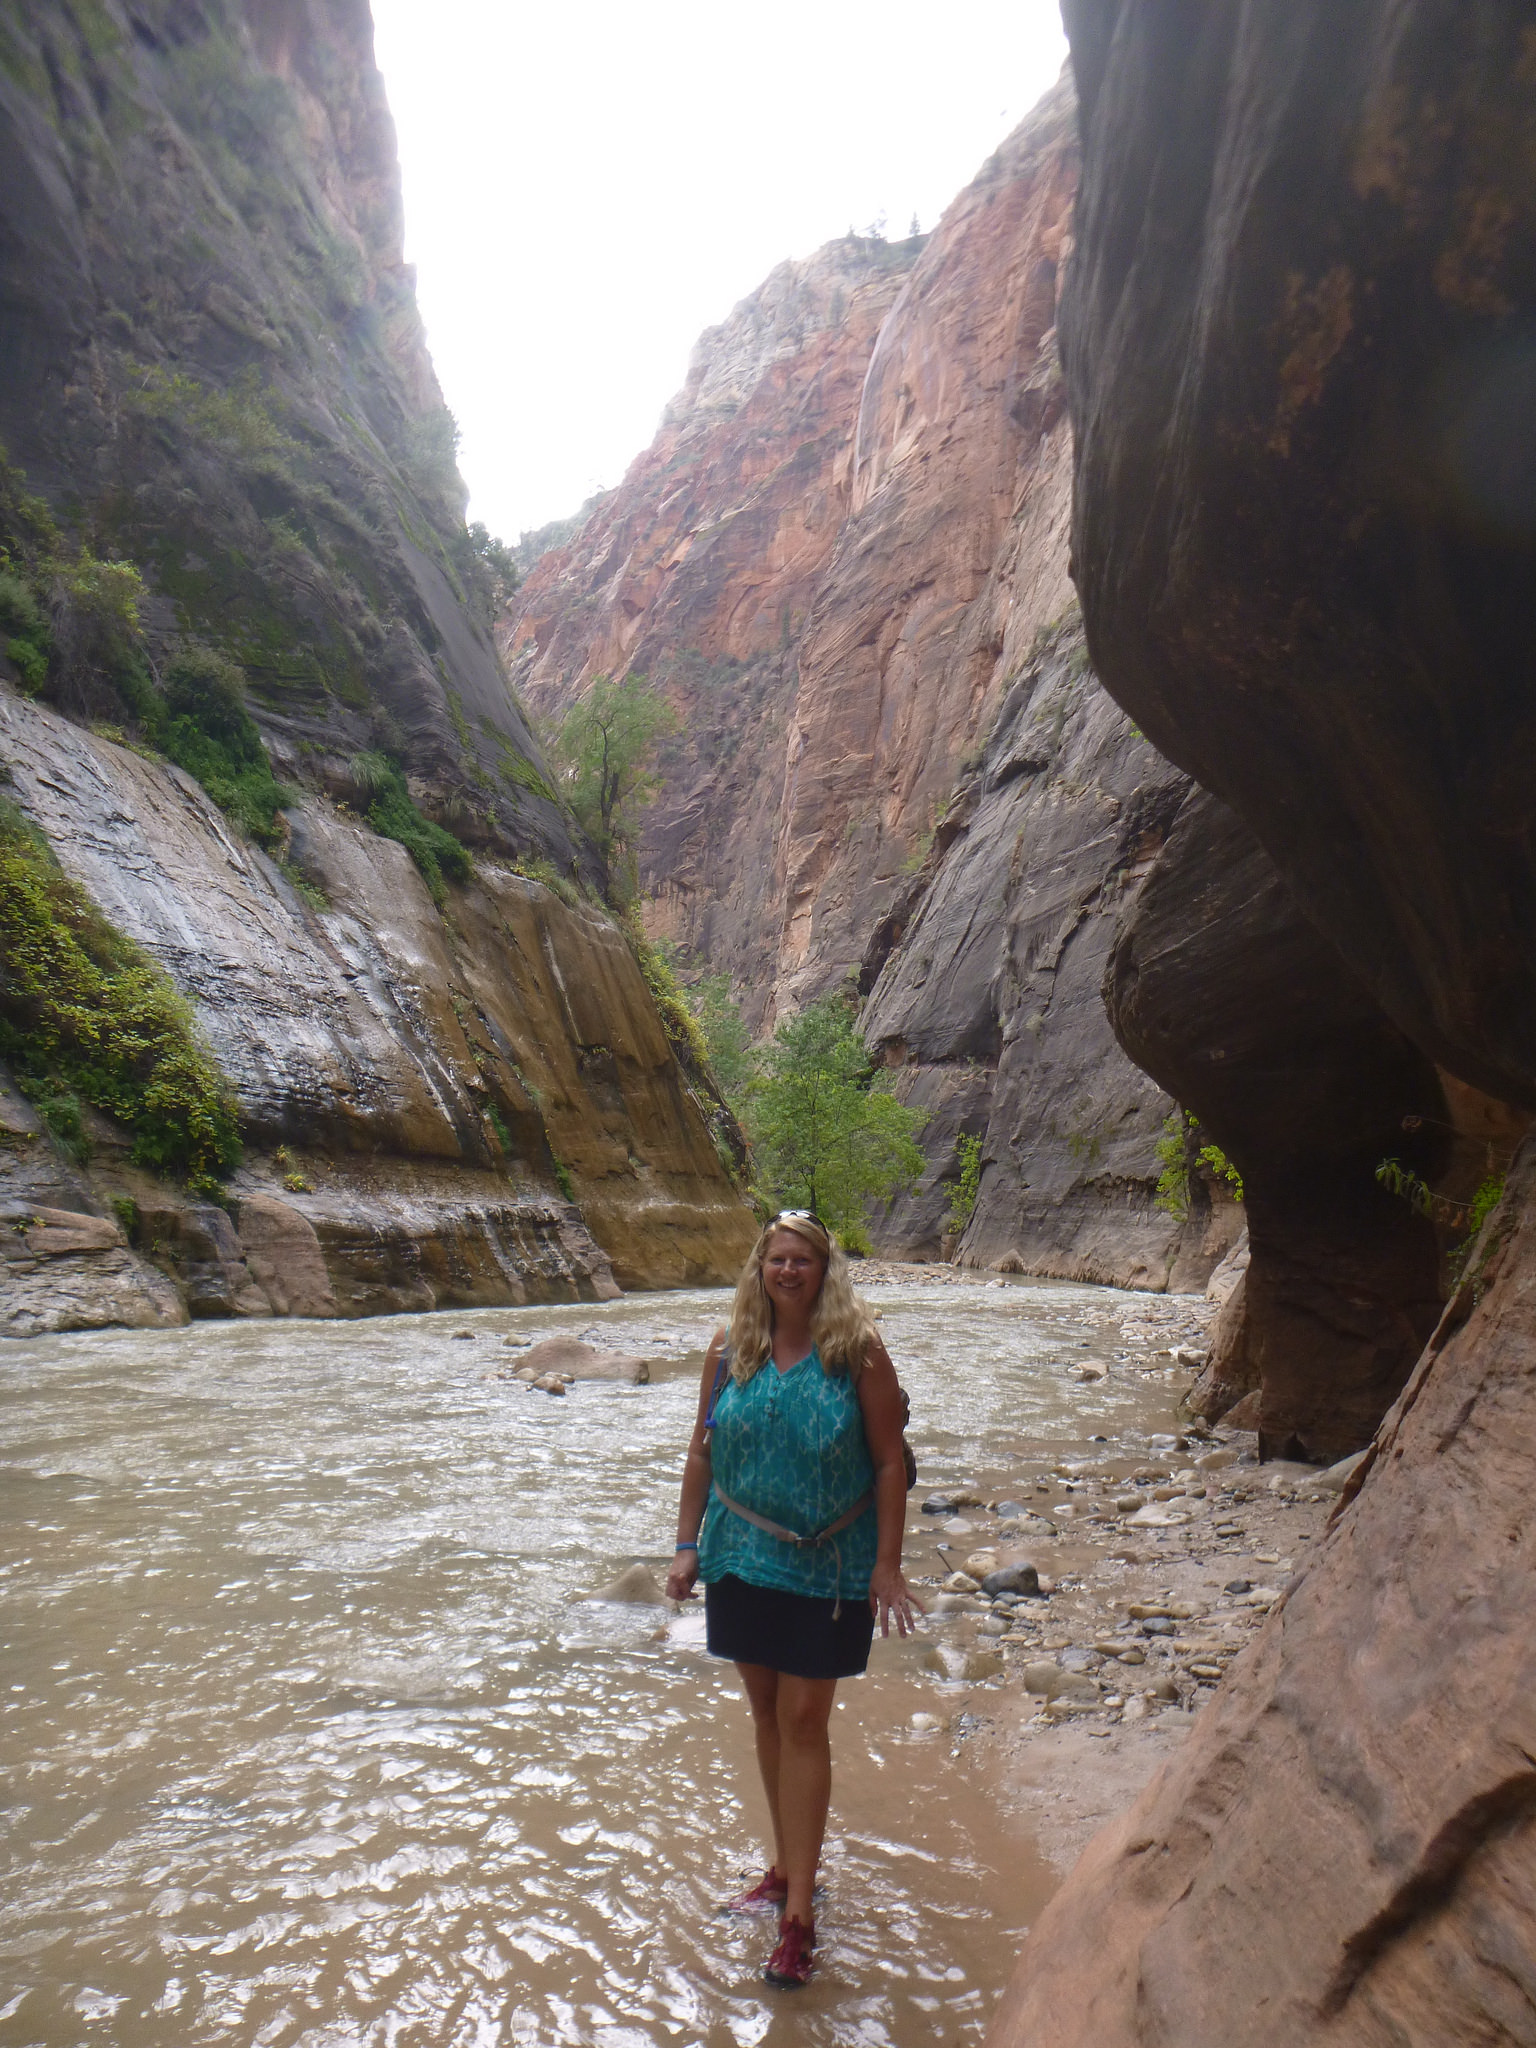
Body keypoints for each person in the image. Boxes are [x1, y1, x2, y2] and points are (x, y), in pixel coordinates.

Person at [664, 1210, 920, 1989]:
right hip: (740, 1555)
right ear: (759, 1269)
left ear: (824, 1271)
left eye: (802, 1260)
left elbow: (886, 1464)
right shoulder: (729, 1349)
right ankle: (782, 1869)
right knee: (767, 1713)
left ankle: (798, 1917)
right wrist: (684, 1546)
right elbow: (702, 1450)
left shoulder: (859, 1353)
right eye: (776, 1259)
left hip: (830, 1565)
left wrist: (888, 1566)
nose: (787, 1271)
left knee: (805, 1722)